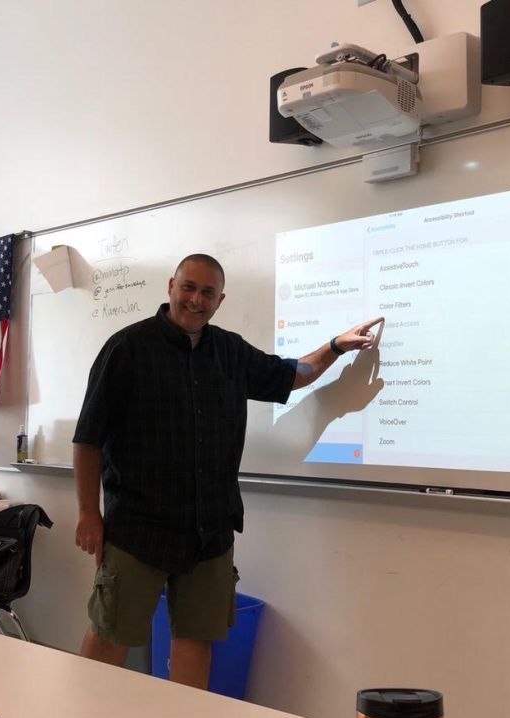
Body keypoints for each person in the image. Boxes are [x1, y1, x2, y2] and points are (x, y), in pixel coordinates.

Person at [73, 253, 382, 688]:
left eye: (207, 293)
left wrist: (334, 346)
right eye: (188, 287)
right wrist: (89, 512)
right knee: (111, 635)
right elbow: (87, 438)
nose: (196, 300)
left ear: (220, 300)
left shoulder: (230, 352)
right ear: (171, 286)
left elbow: (294, 374)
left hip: (209, 533)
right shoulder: (127, 348)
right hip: (137, 530)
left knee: (197, 639)